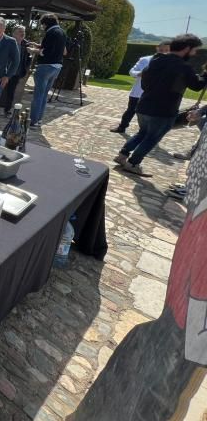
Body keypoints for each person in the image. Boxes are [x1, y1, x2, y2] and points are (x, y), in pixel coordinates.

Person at [71, 125, 207, 421]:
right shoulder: (200, 214)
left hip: (184, 330)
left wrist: (196, 346)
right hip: (179, 323)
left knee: (158, 390)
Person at [115, 34, 207, 176]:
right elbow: (197, 85)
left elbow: (144, 83)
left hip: (143, 106)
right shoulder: (183, 67)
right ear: (187, 49)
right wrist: (206, 74)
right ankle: (133, 164)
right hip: (163, 111)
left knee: (142, 133)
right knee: (152, 138)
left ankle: (122, 155)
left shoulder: (155, 60)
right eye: (194, 50)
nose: (194, 53)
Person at [109, 40, 172, 134]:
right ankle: (122, 127)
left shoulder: (171, 63)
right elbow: (131, 71)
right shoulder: (145, 60)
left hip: (156, 94)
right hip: (138, 92)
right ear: (157, 48)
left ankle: (145, 132)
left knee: (150, 114)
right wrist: (140, 73)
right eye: (161, 50)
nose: (164, 52)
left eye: (167, 50)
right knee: (130, 111)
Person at [28, 13, 68, 128]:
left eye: (42, 25)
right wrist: (37, 45)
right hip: (56, 67)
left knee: (38, 95)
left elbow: (46, 52)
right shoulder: (62, 32)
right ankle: (39, 120)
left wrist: (32, 50)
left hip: (45, 67)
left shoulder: (50, 32)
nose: (42, 27)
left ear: (46, 24)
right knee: (44, 95)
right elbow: (62, 51)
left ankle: (33, 121)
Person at [1, 25, 32, 115]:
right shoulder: (7, 42)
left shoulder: (26, 45)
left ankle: (7, 110)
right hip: (4, 71)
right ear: (13, 33)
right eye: (20, 31)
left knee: (11, 91)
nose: (22, 33)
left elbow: (28, 59)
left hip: (16, 73)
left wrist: (25, 68)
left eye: (23, 32)